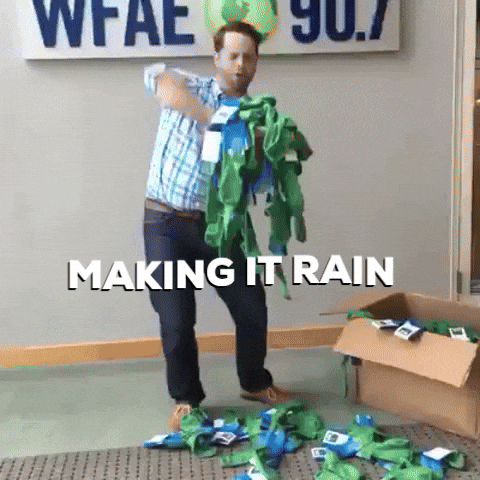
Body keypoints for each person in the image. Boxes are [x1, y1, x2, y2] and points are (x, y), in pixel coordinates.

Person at [143, 21, 293, 433]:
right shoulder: (188, 85)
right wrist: (212, 120)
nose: (240, 64)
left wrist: (263, 150)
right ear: (217, 58)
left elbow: (256, 187)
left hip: (222, 226)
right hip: (165, 223)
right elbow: (162, 83)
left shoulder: (256, 117)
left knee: (252, 307)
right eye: (233, 55)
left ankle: (254, 382)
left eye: (249, 57)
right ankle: (186, 400)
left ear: (257, 63)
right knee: (176, 321)